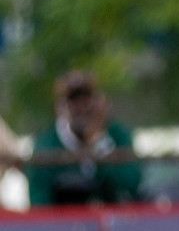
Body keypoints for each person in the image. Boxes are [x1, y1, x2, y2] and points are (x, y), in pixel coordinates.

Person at [27, 71, 144, 207]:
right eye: (73, 100)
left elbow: (133, 186)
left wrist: (97, 145)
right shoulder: (46, 144)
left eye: (88, 97)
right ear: (60, 107)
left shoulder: (118, 136)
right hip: (65, 225)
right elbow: (39, 203)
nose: (82, 106)